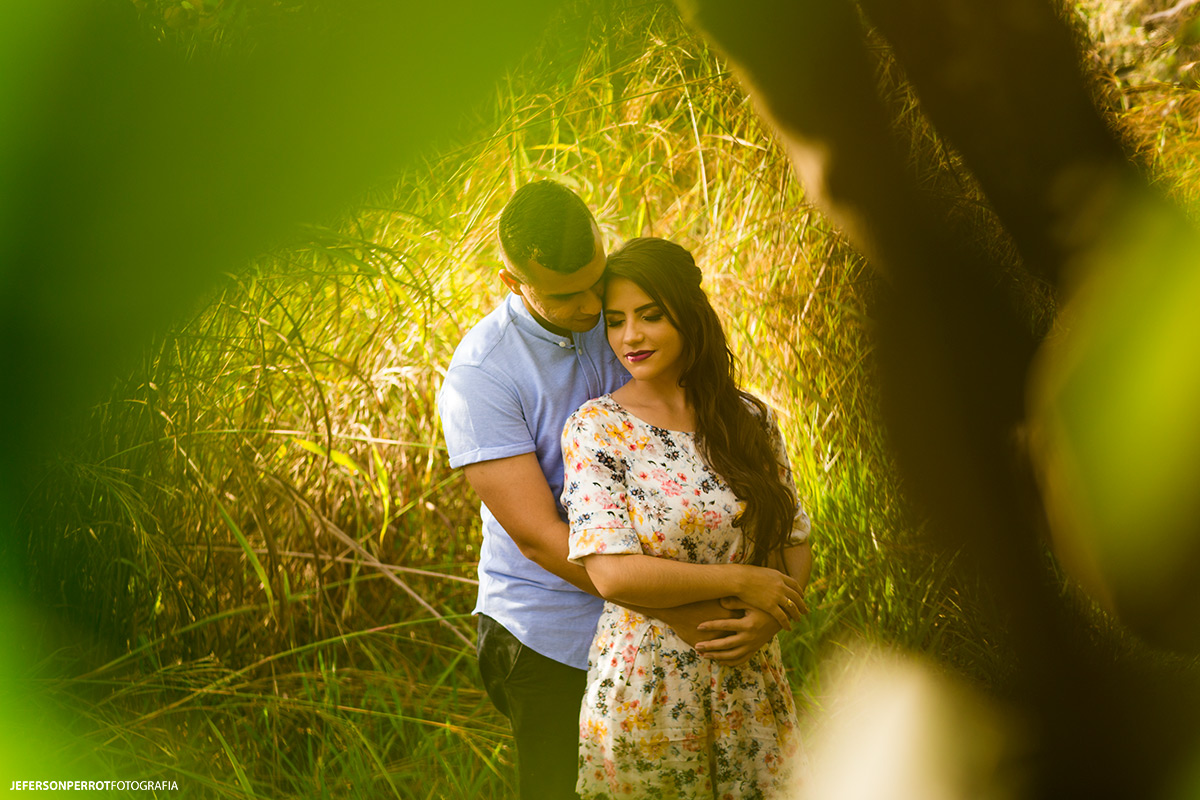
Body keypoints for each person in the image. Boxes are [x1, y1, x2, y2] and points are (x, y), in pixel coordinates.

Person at [437, 182, 784, 799]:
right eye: (567, 295)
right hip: (550, 632)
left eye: (595, 280)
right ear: (511, 281)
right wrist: (699, 618)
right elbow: (542, 539)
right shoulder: (481, 376)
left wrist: (754, 608)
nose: (592, 305)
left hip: (676, 627)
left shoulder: (622, 309)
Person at [562, 237, 813, 799]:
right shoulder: (598, 429)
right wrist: (741, 581)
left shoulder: (748, 418)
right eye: (616, 320)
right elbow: (612, 573)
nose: (631, 336)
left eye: (650, 315)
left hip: (752, 676)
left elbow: (794, 539)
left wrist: (772, 616)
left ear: (688, 314)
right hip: (649, 685)